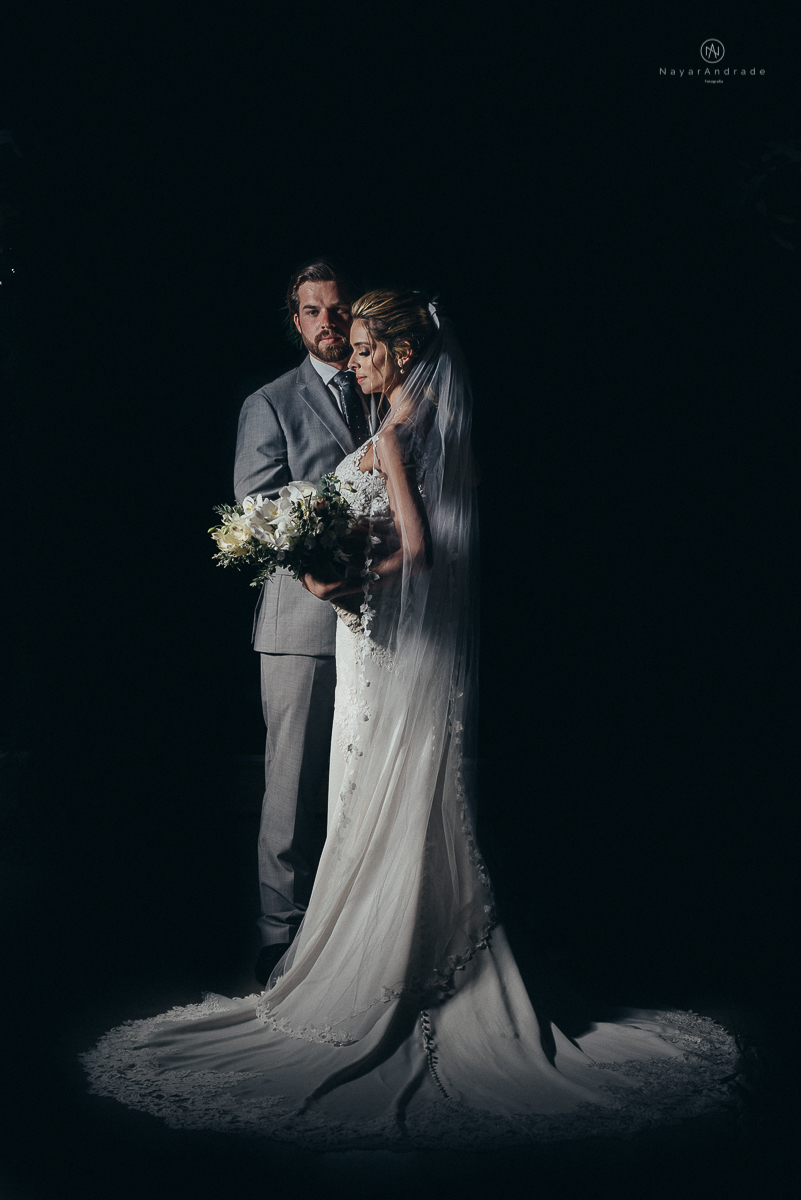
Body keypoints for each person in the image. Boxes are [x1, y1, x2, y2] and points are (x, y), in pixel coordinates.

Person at [82, 289, 738, 1149]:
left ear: (397, 351)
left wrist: (359, 573)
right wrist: (336, 561)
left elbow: (420, 545)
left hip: (378, 634)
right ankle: (379, 945)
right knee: (375, 789)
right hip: (374, 639)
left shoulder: (394, 430)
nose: (350, 358)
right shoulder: (416, 416)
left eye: (362, 346)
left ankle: (390, 959)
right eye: (343, 343)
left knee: (380, 788)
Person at [233, 258, 376, 985]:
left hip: (385, 618)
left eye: (338, 309)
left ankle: (351, 932)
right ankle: (278, 936)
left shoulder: (384, 392)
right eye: (313, 311)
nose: (328, 322)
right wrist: (322, 568)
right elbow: (256, 511)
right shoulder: (271, 402)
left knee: (365, 781)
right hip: (301, 624)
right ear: (296, 321)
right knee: (291, 788)